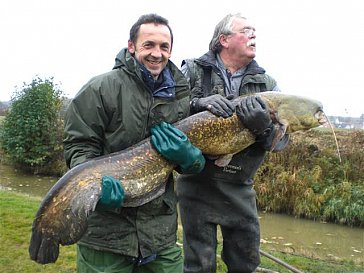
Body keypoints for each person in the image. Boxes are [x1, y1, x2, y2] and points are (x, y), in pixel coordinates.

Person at [63, 13, 205, 273]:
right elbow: (78, 147)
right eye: (148, 45)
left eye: (164, 47)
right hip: (105, 234)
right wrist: (96, 188)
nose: (157, 53)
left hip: (159, 234)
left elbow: (193, 162)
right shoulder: (100, 89)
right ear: (131, 46)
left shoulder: (181, 98)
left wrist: (190, 158)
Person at [177, 13, 289, 273]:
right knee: (198, 265)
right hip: (195, 183)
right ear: (224, 40)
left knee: (245, 263)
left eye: (254, 31)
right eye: (246, 30)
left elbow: (282, 143)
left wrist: (263, 129)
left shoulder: (268, 84)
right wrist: (196, 104)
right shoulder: (192, 70)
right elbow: (168, 113)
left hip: (240, 187)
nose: (253, 35)